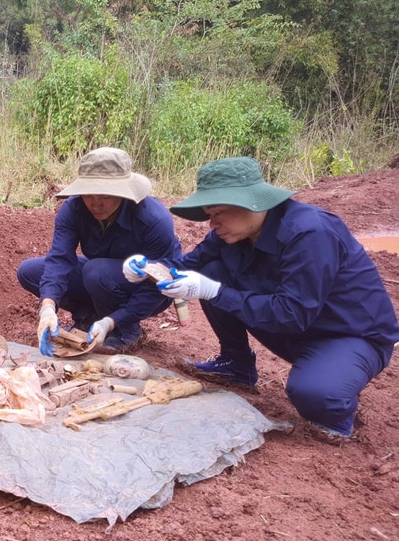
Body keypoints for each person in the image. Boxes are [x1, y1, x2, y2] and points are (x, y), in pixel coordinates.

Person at [123, 157, 399, 439]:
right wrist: (148, 270)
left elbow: (292, 314)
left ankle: (337, 406)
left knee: (316, 394)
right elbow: (188, 266)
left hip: (347, 335)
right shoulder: (230, 233)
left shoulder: (309, 232)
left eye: (218, 212)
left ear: (252, 203)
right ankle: (236, 364)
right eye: (209, 214)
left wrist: (213, 291)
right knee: (212, 271)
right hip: (291, 329)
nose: (212, 223)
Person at [20, 147, 182, 355]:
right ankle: (88, 317)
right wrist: (48, 307)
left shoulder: (153, 220)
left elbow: (158, 288)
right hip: (99, 279)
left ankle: (127, 330)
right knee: (31, 271)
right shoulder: (74, 209)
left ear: (122, 192)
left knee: (96, 272)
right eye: (88, 195)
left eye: (105, 196)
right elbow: (59, 259)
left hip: (149, 289)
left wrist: (113, 321)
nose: (95, 204)